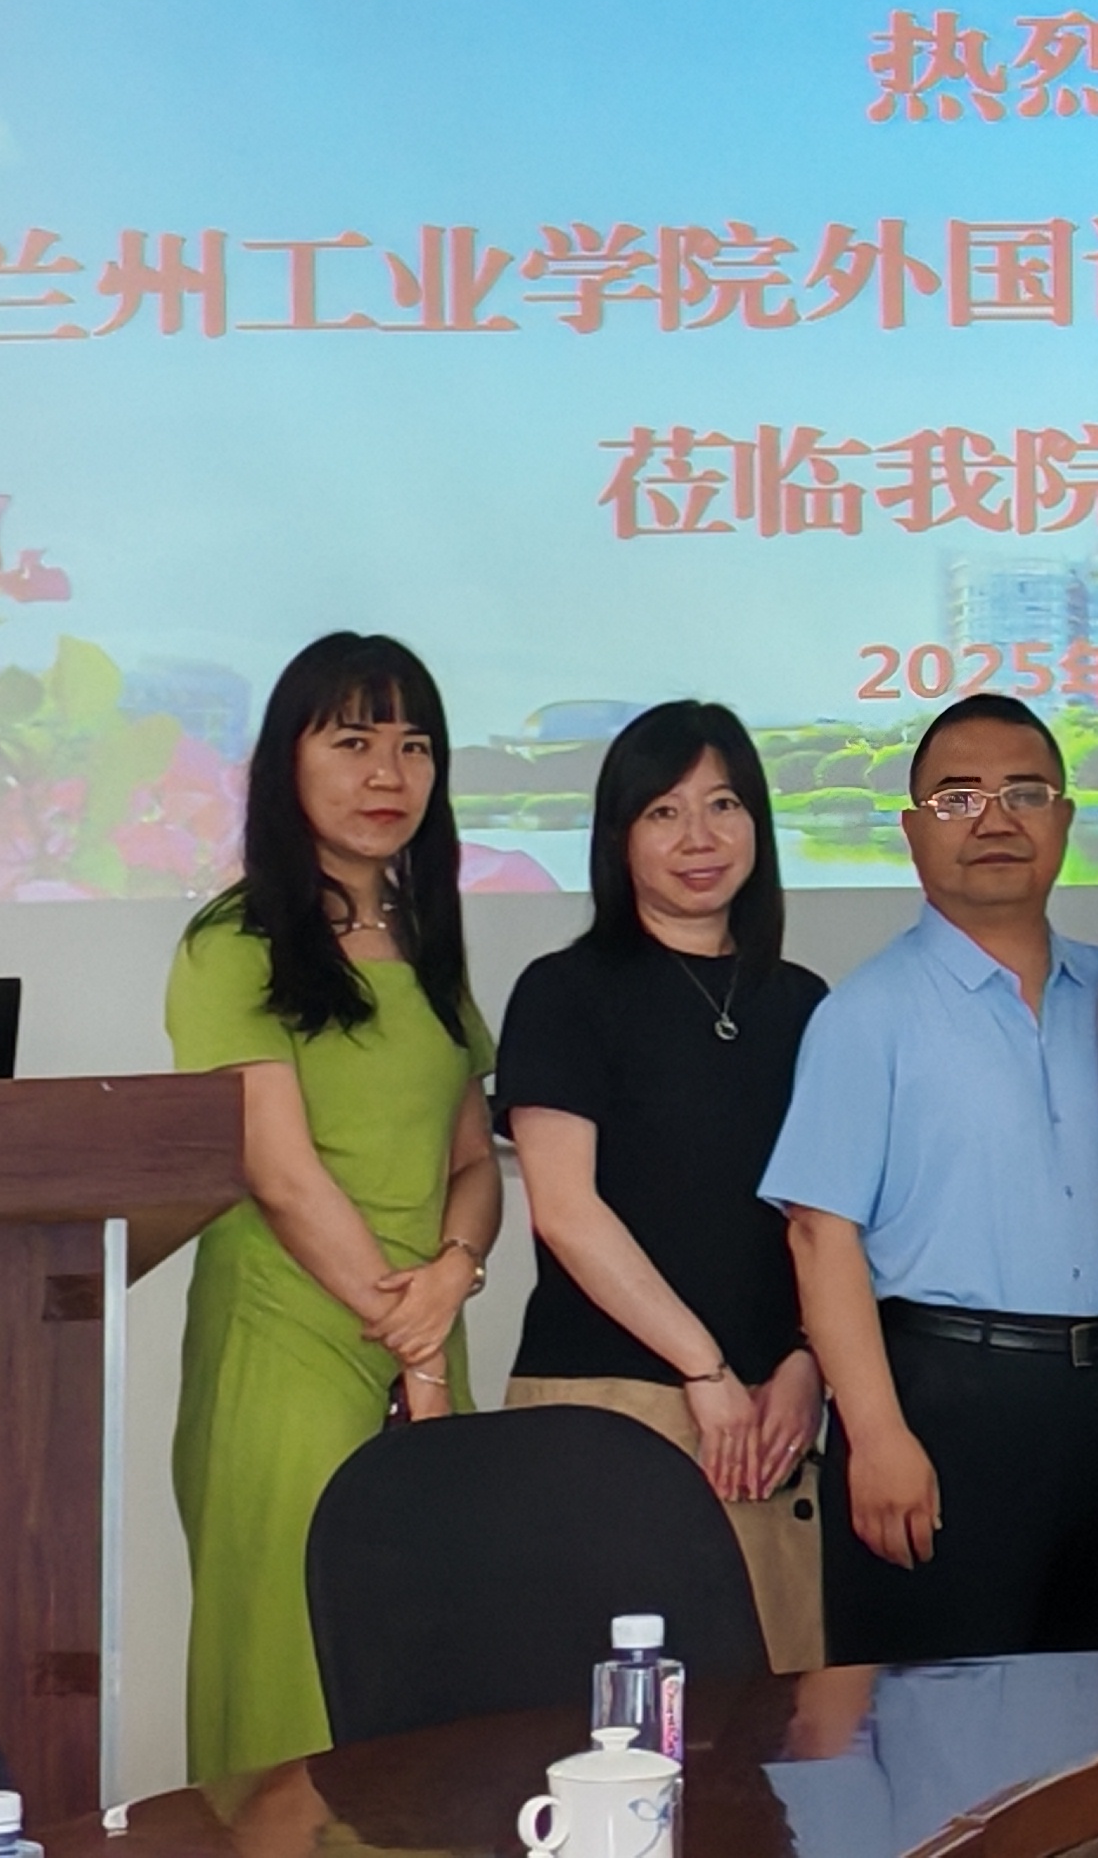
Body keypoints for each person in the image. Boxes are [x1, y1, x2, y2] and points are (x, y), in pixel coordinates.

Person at [165, 632, 503, 1784]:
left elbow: (473, 1160)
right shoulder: (232, 944)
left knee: (423, 1668)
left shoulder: (427, 941)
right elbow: (283, 1173)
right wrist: (416, 1345)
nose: (388, 775)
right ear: (286, 764)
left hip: (421, 1329)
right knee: (295, 1675)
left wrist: (454, 1272)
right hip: (291, 1341)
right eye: (353, 743)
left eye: (414, 746)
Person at [763, 692, 1098, 1662]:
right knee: (936, 1716)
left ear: (1065, 818)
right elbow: (819, 1234)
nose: (995, 819)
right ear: (911, 830)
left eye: (1025, 792)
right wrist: (875, 1435)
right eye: (958, 798)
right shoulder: (866, 1013)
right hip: (944, 1402)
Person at [498, 699, 833, 1670]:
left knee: (775, 1715)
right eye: (664, 812)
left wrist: (809, 1365)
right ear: (618, 836)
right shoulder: (565, 991)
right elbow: (566, 1212)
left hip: (769, 1417)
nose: (700, 838)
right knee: (598, 1713)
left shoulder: (806, 1003)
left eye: (724, 806)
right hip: (608, 1403)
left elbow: (830, 1218)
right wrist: (704, 1371)